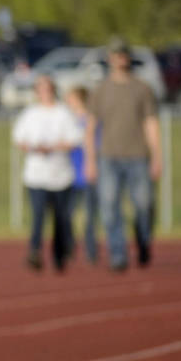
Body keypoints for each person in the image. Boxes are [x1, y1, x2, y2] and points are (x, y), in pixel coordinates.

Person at [90, 37, 162, 270]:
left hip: (138, 156)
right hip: (109, 157)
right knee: (110, 207)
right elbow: (90, 128)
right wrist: (90, 160)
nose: (119, 58)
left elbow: (151, 123)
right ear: (109, 59)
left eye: (123, 54)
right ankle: (118, 253)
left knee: (143, 205)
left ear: (128, 57)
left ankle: (143, 242)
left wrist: (157, 156)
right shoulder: (100, 90)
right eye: (115, 55)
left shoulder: (142, 89)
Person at [12, 74, 83, 271]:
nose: (44, 93)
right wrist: (34, 148)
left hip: (60, 176)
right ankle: (34, 251)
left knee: (61, 217)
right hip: (36, 175)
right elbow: (19, 139)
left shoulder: (63, 113)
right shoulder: (30, 114)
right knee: (38, 215)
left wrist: (55, 147)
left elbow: (75, 139)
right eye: (40, 89)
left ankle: (60, 253)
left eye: (47, 88)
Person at [64, 84, 101, 265]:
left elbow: (95, 145)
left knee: (88, 216)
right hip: (68, 175)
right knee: (67, 215)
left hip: (86, 174)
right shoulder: (67, 120)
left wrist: (91, 165)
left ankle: (91, 251)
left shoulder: (91, 120)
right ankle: (68, 249)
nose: (67, 101)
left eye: (70, 98)